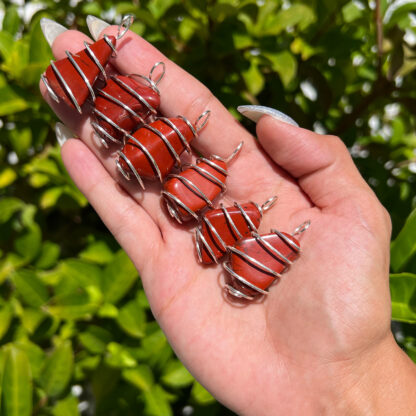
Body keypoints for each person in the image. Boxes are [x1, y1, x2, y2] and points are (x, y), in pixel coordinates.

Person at [40, 16, 416, 415]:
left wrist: (356, 371)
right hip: (177, 184)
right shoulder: (192, 165)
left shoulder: (233, 211)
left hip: (201, 206)